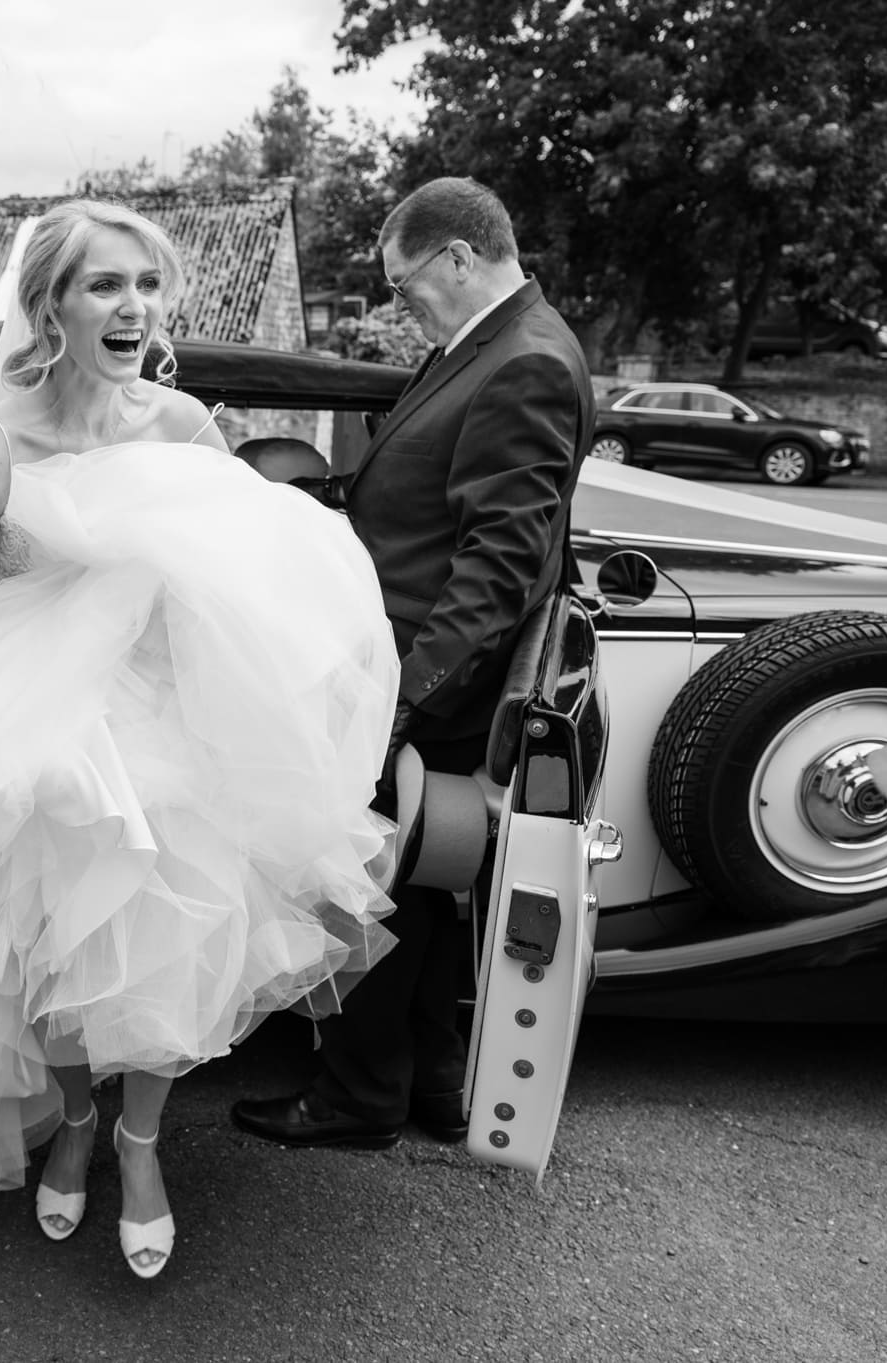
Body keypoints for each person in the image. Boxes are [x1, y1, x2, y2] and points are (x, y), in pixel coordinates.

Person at [0, 200, 402, 1279]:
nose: (133, 306)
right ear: (49, 306)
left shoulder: (185, 432)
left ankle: (139, 1139)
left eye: (146, 286)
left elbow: (249, 593)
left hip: (160, 709)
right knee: (46, 947)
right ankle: (74, 1115)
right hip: (18, 707)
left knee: (159, 939)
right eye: (103, 284)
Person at [228, 176, 592, 1151]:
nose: (401, 307)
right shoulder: (490, 346)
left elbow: (499, 563)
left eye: (402, 286)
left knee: (367, 881)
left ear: (456, 259)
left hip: (423, 674)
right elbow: (420, 496)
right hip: (415, 666)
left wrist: (399, 700)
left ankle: (357, 1093)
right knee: (425, 888)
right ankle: (429, 1081)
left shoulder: (523, 363)